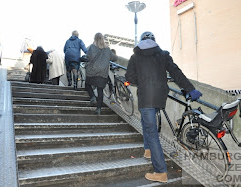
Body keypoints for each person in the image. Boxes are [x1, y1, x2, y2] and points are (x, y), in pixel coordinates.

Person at [125, 31, 202, 183]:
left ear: (141, 41)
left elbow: (129, 77)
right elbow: (175, 72)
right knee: (148, 124)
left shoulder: (135, 57)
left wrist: (141, 82)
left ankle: (161, 172)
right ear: (154, 41)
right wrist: (190, 89)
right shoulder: (163, 54)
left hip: (146, 96)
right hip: (160, 96)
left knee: (151, 131)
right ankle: (148, 150)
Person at [85, 32, 118, 115]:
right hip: (103, 73)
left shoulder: (92, 47)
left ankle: (92, 97)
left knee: (87, 84)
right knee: (100, 90)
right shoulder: (107, 49)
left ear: (95, 39)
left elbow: (88, 57)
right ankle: (98, 109)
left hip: (92, 71)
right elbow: (114, 58)